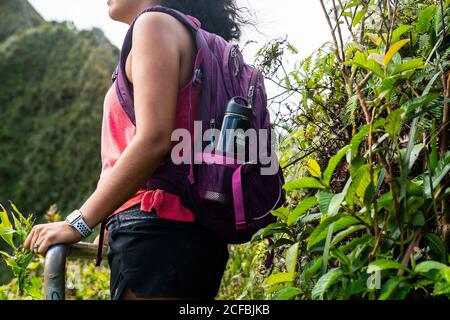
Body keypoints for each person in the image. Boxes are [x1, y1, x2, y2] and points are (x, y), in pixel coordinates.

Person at [24, 0, 246, 300]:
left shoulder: (153, 25)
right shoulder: (192, 36)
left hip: (155, 237)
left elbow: (153, 139)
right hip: (191, 238)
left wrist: (77, 223)